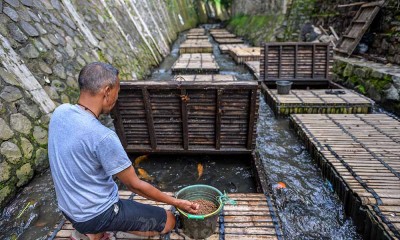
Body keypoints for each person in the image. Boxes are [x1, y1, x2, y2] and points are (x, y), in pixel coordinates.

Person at [48, 62, 199, 240]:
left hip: (68, 210)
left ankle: (90, 233)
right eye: (117, 92)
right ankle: (97, 230)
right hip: (98, 214)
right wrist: (176, 202)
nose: (117, 98)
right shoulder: (104, 136)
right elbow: (135, 185)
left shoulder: (60, 112)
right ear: (107, 91)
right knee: (169, 221)